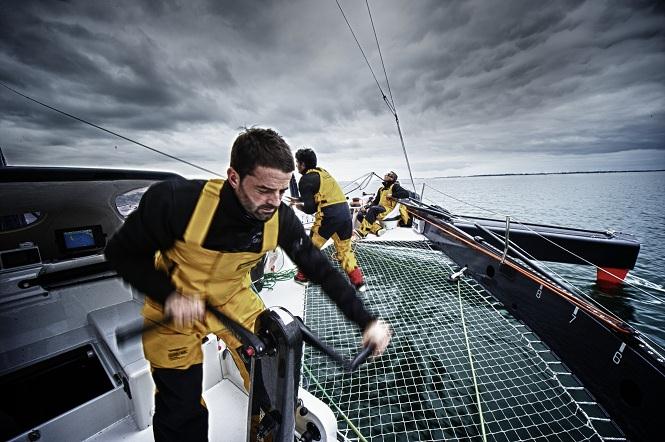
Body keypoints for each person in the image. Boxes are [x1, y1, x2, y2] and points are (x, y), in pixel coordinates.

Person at [104, 128, 392, 442]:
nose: (275, 202)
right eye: (265, 190)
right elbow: (120, 253)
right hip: (175, 305)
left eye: (282, 191)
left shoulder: (279, 217)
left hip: (232, 297)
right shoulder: (176, 202)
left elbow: (319, 268)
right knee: (180, 411)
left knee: (273, 384)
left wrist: (366, 321)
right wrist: (169, 296)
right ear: (234, 177)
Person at [288, 148, 365, 290]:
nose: (297, 166)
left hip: (329, 216)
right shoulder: (323, 173)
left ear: (303, 164)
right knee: (345, 250)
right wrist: (299, 199)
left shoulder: (305, 180)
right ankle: (359, 282)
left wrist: (298, 206)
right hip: (345, 214)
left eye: (298, 163)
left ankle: (303, 276)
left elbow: (310, 208)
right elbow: (319, 196)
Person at [356, 171, 410, 238]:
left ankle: (363, 232)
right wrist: (366, 207)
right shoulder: (381, 189)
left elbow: (406, 194)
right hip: (379, 208)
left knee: (373, 209)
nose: (385, 175)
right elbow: (375, 202)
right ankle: (378, 229)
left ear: (392, 178)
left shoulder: (395, 186)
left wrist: (392, 195)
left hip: (388, 209)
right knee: (360, 214)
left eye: (388, 175)